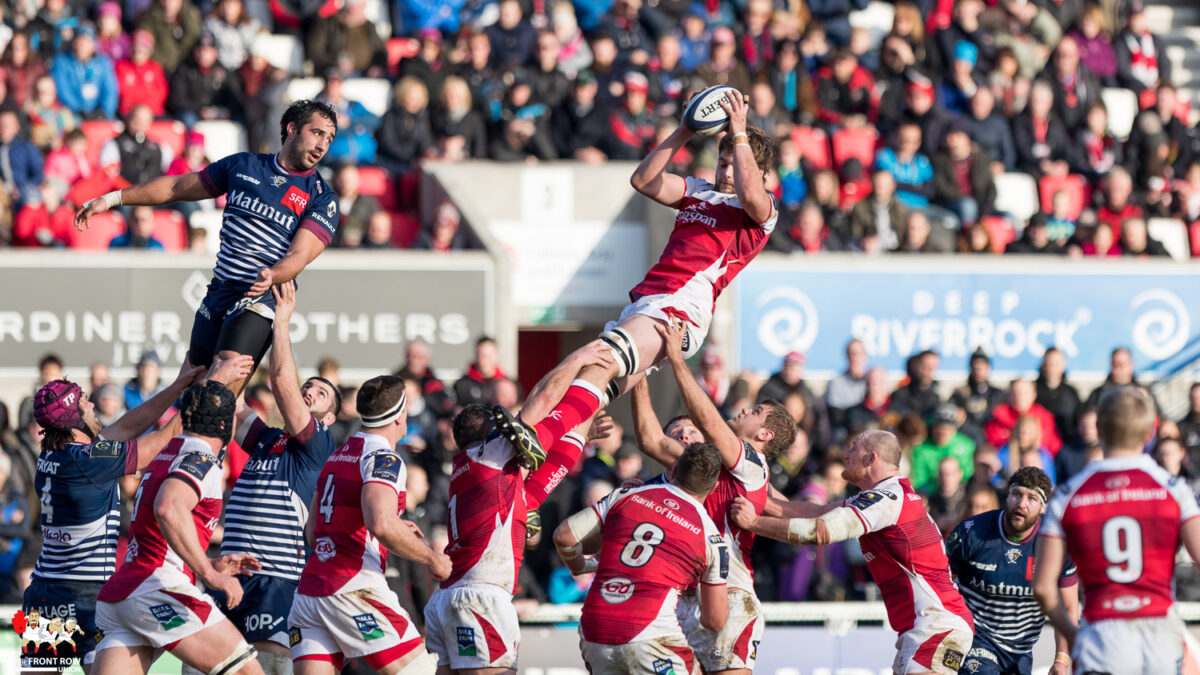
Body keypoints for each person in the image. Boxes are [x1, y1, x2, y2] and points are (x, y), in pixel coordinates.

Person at [494, 92, 778, 465]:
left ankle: (535, 434)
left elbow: (751, 192)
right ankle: (539, 475)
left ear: (759, 172)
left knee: (598, 359)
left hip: (679, 308)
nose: (727, 172)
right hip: (650, 300)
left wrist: (739, 131)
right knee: (592, 383)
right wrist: (683, 131)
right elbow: (643, 179)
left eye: (735, 164)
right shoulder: (699, 191)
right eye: (722, 163)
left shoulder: (759, 211)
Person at [74, 100, 341, 396]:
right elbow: (175, 188)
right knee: (190, 386)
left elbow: (299, 255)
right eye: (317, 133)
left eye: (329, 138)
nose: (323, 144)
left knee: (219, 392)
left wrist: (273, 274)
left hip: (258, 298)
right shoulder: (242, 166)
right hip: (219, 292)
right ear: (292, 129)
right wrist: (112, 199)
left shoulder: (321, 197)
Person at [20, 359, 247, 670]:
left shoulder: (57, 453)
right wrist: (207, 392)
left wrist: (177, 387)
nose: (91, 402)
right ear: (74, 418)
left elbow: (127, 426)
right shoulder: (89, 461)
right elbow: (156, 442)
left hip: (46, 591)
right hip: (86, 591)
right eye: (84, 400)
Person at [423, 343, 616, 674]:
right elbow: (541, 398)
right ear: (494, 437)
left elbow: (550, 473)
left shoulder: (470, 471)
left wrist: (581, 433)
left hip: (451, 594)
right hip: (481, 595)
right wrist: (577, 358)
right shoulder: (492, 457)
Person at [626, 322, 795, 675]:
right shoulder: (670, 481)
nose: (685, 435)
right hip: (681, 600)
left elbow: (707, 420)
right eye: (678, 432)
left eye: (692, 431)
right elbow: (650, 439)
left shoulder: (746, 463)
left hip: (729, 595)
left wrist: (675, 356)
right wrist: (639, 367)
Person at [732, 430, 974, 675]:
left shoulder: (887, 499)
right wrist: (761, 492)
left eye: (853, 449)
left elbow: (817, 532)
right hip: (926, 625)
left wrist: (753, 524)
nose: (846, 456)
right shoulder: (887, 495)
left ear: (871, 459)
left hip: (936, 623)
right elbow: (814, 512)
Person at [202, 281, 341, 675]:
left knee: (263, 667)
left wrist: (279, 322)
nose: (309, 391)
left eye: (320, 393)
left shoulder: (318, 444)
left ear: (329, 417)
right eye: (308, 386)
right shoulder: (267, 439)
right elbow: (232, 404)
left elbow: (282, 384)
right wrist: (235, 339)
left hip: (274, 582)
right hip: (231, 573)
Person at [91, 380, 264, 675]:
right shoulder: (202, 459)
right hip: (157, 588)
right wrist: (209, 574)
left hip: (123, 595)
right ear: (226, 424)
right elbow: (168, 508)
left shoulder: (165, 453)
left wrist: (207, 562)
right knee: (248, 671)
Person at [288, 375, 450, 674]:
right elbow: (381, 523)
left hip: (310, 594)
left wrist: (395, 526)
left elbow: (313, 532)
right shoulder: (383, 458)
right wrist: (432, 558)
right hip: (353, 587)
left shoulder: (336, 456)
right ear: (400, 416)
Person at [1035, 386, 1200, 673]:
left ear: (1098, 428)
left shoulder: (1067, 496)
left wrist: (1074, 636)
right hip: (1161, 631)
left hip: (1101, 635)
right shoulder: (1174, 490)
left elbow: (1043, 587)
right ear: (1151, 432)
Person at [553, 442, 729, 675]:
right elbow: (714, 621)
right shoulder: (712, 537)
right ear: (714, 487)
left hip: (595, 629)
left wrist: (580, 566)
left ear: (674, 470)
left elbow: (564, 536)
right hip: (651, 635)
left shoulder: (626, 493)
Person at [947, 466, 1077, 675]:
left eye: (1032, 498)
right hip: (974, 638)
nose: (1021, 503)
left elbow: (1069, 605)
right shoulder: (971, 532)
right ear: (1007, 497)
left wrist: (1061, 660)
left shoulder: (1056, 543)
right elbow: (938, 585)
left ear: (1044, 507)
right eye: (1016, 494)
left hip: (1021, 651)